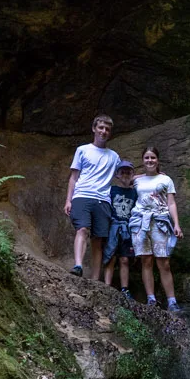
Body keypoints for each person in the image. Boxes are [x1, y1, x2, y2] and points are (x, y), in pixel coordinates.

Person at [65, 113, 123, 281]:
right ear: (94, 129)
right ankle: (78, 265)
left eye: (107, 129)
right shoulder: (82, 150)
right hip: (82, 195)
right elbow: (73, 177)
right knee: (82, 229)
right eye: (101, 128)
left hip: (103, 200)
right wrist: (68, 200)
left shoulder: (114, 156)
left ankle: (96, 279)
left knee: (98, 239)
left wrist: (149, 175)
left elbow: (125, 176)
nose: (104, 131)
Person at [132, 145, 184, 310]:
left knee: (164, 263)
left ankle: (172, 301)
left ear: (158, 160)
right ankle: (151, 299)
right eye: (146, 158)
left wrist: (176, 224)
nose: (150, 160)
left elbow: (171, 203)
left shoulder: (166, 180)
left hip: (160, 222)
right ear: (142, 160)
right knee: (146, 261)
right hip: (140, 222)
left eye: (152, 157)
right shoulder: (137, 180)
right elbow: (122, 179)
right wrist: (138, 175)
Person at [102, 163, 137, 297]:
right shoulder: (111, 190)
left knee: (124, 259)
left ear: (132, 175)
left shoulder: (135, 192)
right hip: (113, 227)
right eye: (122, 172)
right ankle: (106, 287)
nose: (125, 175)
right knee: (110, 256)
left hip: (127, 229)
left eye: (128, 173)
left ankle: (124, 289)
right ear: (117, 175)